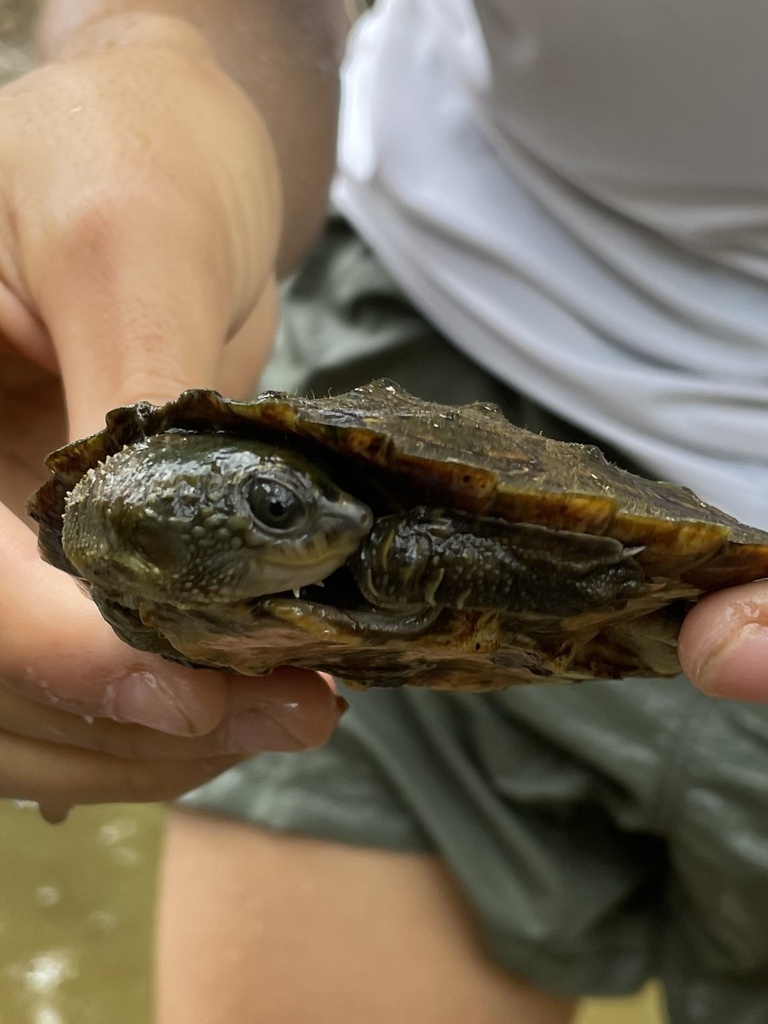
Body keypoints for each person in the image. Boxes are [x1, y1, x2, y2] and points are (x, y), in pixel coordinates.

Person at [1, 0, 767, 1021]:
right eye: (276, 511)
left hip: (629, 543)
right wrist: (157, 55)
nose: (334, 531)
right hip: (457, 295)